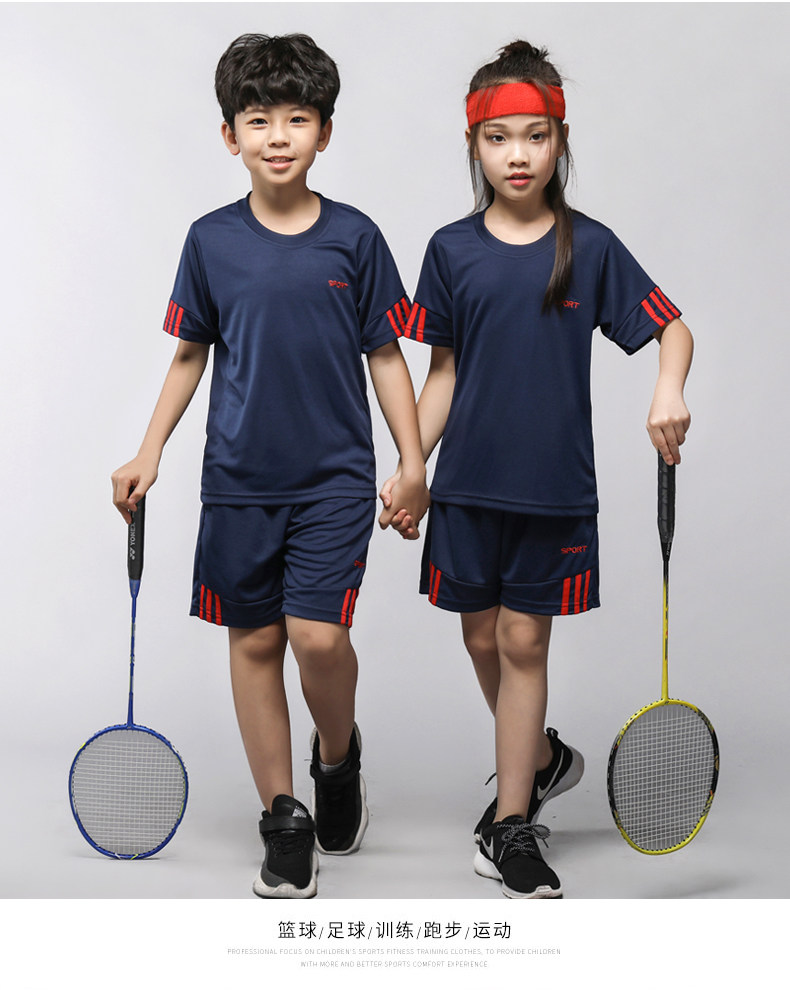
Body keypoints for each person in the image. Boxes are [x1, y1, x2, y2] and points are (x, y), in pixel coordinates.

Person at [111, 33, 429, 899]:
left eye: (297, 118)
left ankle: (337, 758)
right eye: (258, 120)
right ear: (230, 136)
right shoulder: (209, 241)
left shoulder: (356, 237)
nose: (278, 135)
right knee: (255, 641)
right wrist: (149, 450)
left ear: (324, 131)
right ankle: (284, 822)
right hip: (238, 482)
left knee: (318, 637)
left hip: (334, 481)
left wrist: (411, 461)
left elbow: (387, 354)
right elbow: (190, 353)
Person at [381, 40, 693, 898]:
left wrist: (668, 386)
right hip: (466, 490)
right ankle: (543, 757)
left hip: (553, 491)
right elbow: (442, 374)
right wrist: (411, 465)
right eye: (498, 138)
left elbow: (672, 328)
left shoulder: (589, 246)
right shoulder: (450, 249)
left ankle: (512, 824)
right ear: (474, 145)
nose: (517, 155)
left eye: (535, 136)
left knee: (523, 641)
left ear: (560, 140)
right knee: (481, 637)